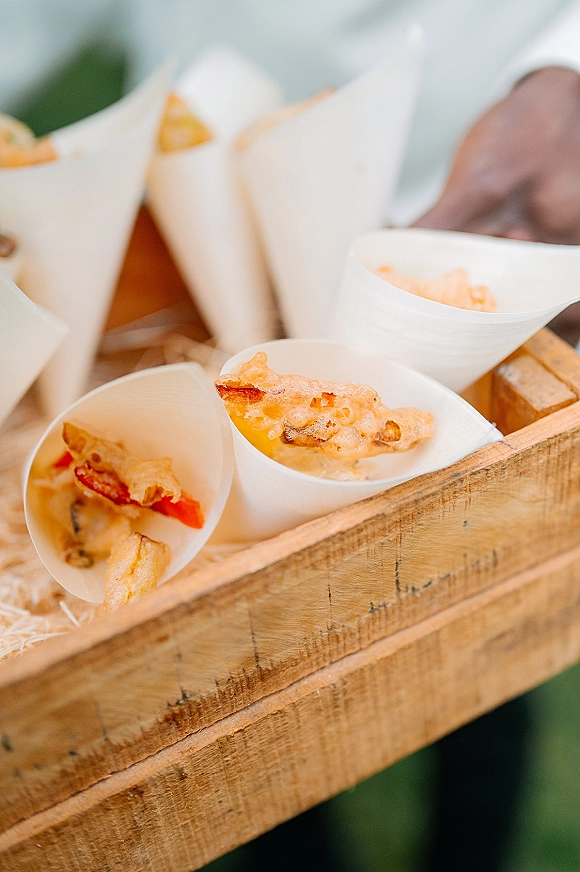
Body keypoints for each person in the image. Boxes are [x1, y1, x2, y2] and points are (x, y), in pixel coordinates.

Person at [3, 2, 580, 869]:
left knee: (478, 615)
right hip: (211, 177)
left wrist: (568, 69)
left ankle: (470, 836)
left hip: (484, 183)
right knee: (243, 695)